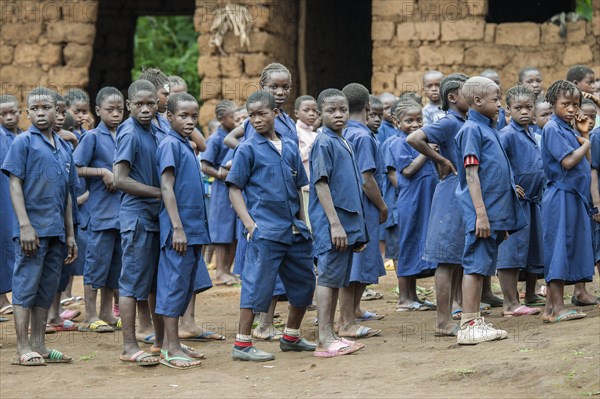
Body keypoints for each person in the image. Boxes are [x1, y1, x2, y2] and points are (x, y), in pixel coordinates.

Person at [226, 91, 316, 361]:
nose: (256, 120)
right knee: (257, 286)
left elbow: (299, 187)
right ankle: (242, 345)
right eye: (251, 115)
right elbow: (234, 190)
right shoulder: (247, 149)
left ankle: (291, 336)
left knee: (304, 284)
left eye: (261, 113)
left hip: (294, 229)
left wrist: (303, 223)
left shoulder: (289, 146)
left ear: (275, 113)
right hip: (265, 230)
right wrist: (251, 226)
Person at [1, 86, 78, 365]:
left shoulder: (64, 147)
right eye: (35, 109)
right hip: (31, 231)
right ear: (28, 112)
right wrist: (24, 225)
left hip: (56, 230)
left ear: (58, 111)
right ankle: (23, 347)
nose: (41, 113)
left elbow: (68, 195)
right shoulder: (23, 143)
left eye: (46, 108)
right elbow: (14, 184)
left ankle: (40, 345)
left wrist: (70, 234)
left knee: (46, 288)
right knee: (25, 287)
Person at [454, 76, 526, 344]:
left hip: (493, 214)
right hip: (482, 213)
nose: (500, 104)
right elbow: (471, 175)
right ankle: (469, 323)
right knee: (474, 265)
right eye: (496, 100)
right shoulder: (472, 130)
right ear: (477, 101)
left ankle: (474, 319)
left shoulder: (489, 129)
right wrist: (481, 214)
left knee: (482, 263)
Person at [406, 73, 469, 334]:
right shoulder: (449, 123)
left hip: (462, 191)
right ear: (452, 97)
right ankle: (443, 321)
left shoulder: (465, 121)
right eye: (469, 93)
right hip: (451, 192)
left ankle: (458, 313)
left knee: (456, 258)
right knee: (446, 259)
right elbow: (414, 139)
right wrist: (440, 160)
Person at [155, 92, 212, 369]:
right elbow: (166, 187)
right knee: (173, 285)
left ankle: (171, 344)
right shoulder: (170, 144)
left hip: (194, 230)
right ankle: (170, 348)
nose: (189, 121)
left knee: (185, 286)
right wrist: (177, 228)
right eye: (183, 116)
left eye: (193, 116)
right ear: (169, 116)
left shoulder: (187, 144)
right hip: (179, 231)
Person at [310, 88, 367, 357]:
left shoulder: (344, 141)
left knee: (336, 280)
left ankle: (332, 334)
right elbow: (321, 184)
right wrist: (334, 224)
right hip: (332, 226)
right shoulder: (323, 142)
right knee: (327, 279)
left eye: (342, 110)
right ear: (320, 114)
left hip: (346, 226)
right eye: (331, 111)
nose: (338, 115)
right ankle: (323, 339)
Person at [113, 79, 165, 366]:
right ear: (128, 106)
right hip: (137, 217)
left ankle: (160, 341)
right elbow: (120, 179)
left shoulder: (154, 130)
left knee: (155, 283)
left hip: (155, 216)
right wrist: (159, 192)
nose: (145, 109)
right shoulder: (130, 132)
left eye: (150, 104)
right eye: (139, 105)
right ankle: (129, 345)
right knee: (131, 284)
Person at [541, 80, 594, 322]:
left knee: (567, 246)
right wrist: (587, 142)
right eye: (566, 104)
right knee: (559, 248)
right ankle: (557, 307)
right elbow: (569, 162)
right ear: (553, 104)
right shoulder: (553, 128)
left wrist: (583, 134)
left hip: (572, 196)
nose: (572, 109)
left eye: (575, 104)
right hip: (560, 196)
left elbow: (587, 161)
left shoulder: (569, 129)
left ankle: (550, 309)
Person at [73, 87, 125, 332]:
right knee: (96, 263)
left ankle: (107, 312)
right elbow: (75, 167)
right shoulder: (92, 137)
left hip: (121, 213)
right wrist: (102, 172)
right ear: (98, 111)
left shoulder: (125, 135)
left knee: (115, 266)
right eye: (110, 110)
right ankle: (90, 315)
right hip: (101, 212)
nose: (116, 114)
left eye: (120, 110)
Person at [339, 83, 386, 337]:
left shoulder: (344, 132)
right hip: (363, 207)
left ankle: (354, 310)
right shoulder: (364, 136)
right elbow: (367, 178)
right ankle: (346, 321)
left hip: (348, 205)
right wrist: (382, 205)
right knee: (357, 265)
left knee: (358, 262)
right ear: (368, 107)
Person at [496, 85, 545, 316]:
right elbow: (499, 163)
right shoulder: (507, 135)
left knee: (531, 248)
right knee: (511, 252)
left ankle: (530, 294)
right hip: (515, 202)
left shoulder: (531, 133)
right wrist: (510, 184)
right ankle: (509, 302)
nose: (524, 111)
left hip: (533, 200)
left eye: (528, 107)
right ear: (508, 110)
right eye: (518, 108)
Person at [390, 100, 438, 311]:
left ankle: (414, 296)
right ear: (396, 122)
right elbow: (407, 171)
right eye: (409, 121)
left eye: (419, 120)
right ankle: (404, 298)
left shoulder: (422, 140)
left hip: (426, 198)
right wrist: (425, 151)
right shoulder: (399, 143)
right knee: (407, 243)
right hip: (411, 199)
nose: (415, 125)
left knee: (419, 241)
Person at [565, 66, 600, 306]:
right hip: (581, 192)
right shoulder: (574, 135)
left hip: (589, 192)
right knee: (580, 240)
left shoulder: (591, 135)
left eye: (594, 116)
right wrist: (596, 202)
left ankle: (581, 290)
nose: (588, 119)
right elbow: (590, 168)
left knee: (589, 241)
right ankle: (577, 289)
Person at [201, 100, 239, 286]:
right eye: (233, 118)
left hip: (234, 190)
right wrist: (220, 174)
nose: (237, 121)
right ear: (221, 119)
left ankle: (228, 270)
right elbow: (204, 165)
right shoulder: (216, 139)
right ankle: (220, 271)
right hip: (221, 191)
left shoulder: (236, 137)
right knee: (222, 232)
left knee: (233, 231)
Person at [295, 95, 319, 229]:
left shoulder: (315, 134)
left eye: (315, 110)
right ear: (296, 113)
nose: (311, 113)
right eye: (306, 110)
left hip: (315, 187)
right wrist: (310, 149)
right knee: (308, 225)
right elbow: (295, 156)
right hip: (303, 188)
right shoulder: (295, 132)